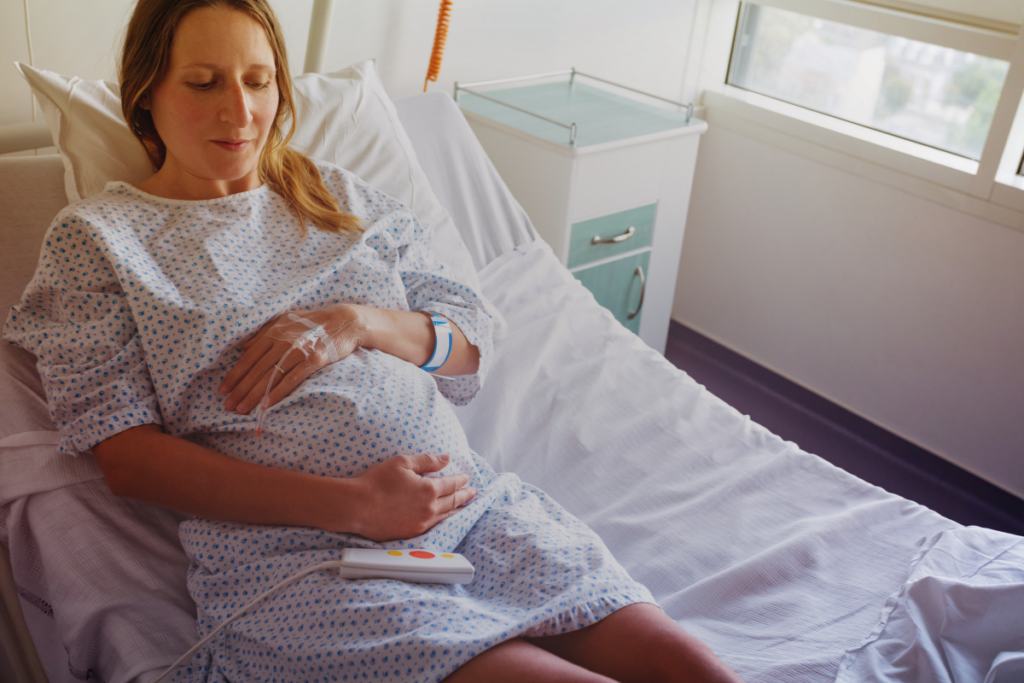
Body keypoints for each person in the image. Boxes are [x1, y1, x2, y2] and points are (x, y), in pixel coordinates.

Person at [3, 1, 744, 681]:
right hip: (305, 561)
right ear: (145, 97)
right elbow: (127, 458)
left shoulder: (332, 194)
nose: (240, 110)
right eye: (203, 82)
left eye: (260, 82)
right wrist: (355, 505)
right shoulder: (99, 241)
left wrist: (356, 321)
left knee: (693, 669)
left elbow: (469, 342)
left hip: (469, 507)